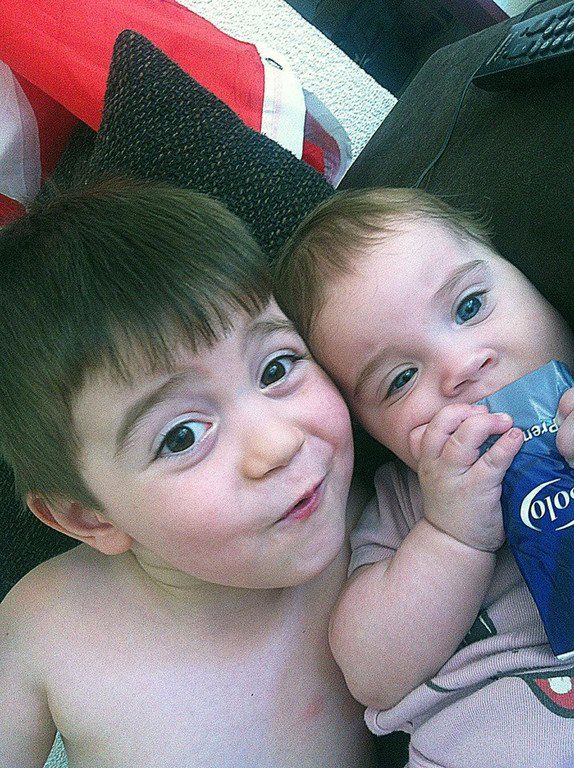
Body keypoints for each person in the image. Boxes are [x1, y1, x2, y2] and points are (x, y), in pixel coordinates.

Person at [0, 179, 377, 768]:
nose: (279, 444)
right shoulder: (46, 625)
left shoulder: (391, 527)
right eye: (182, 436)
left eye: (277, 367)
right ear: (86, 515)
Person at [273, 187, 574, 767]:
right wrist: (452, 535)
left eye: (469, 306)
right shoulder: (411, 508)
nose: (460, 369)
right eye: (400, 379)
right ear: (369, 430)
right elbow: (369, 671)